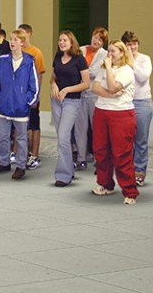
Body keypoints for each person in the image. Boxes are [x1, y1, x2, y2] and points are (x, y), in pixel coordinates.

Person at [91, 40, 138, 204]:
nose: (109, 55)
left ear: (122, 53)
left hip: (121, 114)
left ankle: (130, 191)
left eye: (113, 51)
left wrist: (110, 69)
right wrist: (110, 95)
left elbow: (113, 86)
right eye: (108, 51)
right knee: (100, 150)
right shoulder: (103, 68)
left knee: (121, 154)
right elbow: (95, 87)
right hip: (101, 112)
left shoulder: (127, 70)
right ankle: (105, 184)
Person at [0, 29, 39, 180]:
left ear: (22, 43)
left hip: (21, 108)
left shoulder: (29, 61)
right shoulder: (2, 60)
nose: (12, 42)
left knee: (22, 138)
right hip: (4, 107)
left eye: (16, 40)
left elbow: (34, 85)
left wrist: (27, 101)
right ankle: (4, 162)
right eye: (11, 39)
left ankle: (20, 166)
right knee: (2, 136)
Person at [50, 31, 90, 187]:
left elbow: (86, 83)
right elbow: (53, 77)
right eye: (60, 40)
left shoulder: (79, 60)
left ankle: (63, 175)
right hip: (56, 101)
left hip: (72, 102)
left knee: (63, 136)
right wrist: (53, 85)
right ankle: (68, 170)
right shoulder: (57, 58)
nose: (61, 42)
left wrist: (67, 90)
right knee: (62, 139)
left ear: (72, 42)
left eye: (64, 40)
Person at [73, 27, 108, 171]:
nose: (96, 40)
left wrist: (81, 70)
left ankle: (100, 159)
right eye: (95, 37)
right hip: (80, 94)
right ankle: (81, 158)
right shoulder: (80, 50)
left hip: (95, 95)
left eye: (100, 39)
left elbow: (94, 72)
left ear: (103, 43)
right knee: (80, 128)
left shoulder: (104, 55)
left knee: (97, 129)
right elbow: (74, 68)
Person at [121, 31, 152, 187]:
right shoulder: (121, 61)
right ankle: (128, 171)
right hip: (125, 103)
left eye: (134, 43)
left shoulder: (144, 59)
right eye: (128, 44)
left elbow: (143, 77)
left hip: (142, 103)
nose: (132, 47)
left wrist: (132, 62)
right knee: (128, 140)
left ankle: (139, 171)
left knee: (140, 140)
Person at [18, 24, 46, 170]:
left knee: (34, 125)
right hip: (18, 96)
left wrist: (36, 95)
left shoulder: (36, 52)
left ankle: (34, 155)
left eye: (23, 34)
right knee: (18, 124)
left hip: (30, 95)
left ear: (29, 34)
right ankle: (19, 154)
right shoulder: (16, 52)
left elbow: (39, 75)